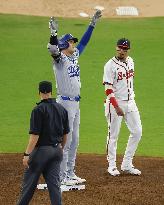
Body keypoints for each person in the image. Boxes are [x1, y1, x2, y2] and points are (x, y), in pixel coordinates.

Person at [47, 10, 102, 185]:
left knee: (75, 139)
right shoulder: (60, 59)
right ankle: (61, 176)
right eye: (71, 41)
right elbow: (53, 49)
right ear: (64, 44)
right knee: (66, 140)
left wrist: (92, 25)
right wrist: (53, 33)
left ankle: (70, 173)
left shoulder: (75, 55)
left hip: (76, 104)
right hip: (64, 104)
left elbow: (84, 42)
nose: (74, 44)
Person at [17, 81, 70, 205]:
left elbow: (35, 136)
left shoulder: (38, 110)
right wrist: (61, 148)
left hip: (41, 152)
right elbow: (65, 134)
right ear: (51, 92)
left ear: (39, 92)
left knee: (28, 185)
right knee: (54, 186)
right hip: (57, 151)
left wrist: (26, 154)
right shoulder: (62, 109)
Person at [103, 38, 142, 176]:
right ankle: (112, 165)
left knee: (137, 131)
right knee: (113, 135)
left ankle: (126, 164)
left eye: (124, 49)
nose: (121, 51)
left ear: (128, 50)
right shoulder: (110, 65)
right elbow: (108, 89)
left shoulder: (131, 61)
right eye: (119, 48)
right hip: (115, 103)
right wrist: (116, 105)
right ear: (116, 48)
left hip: (130, 102)